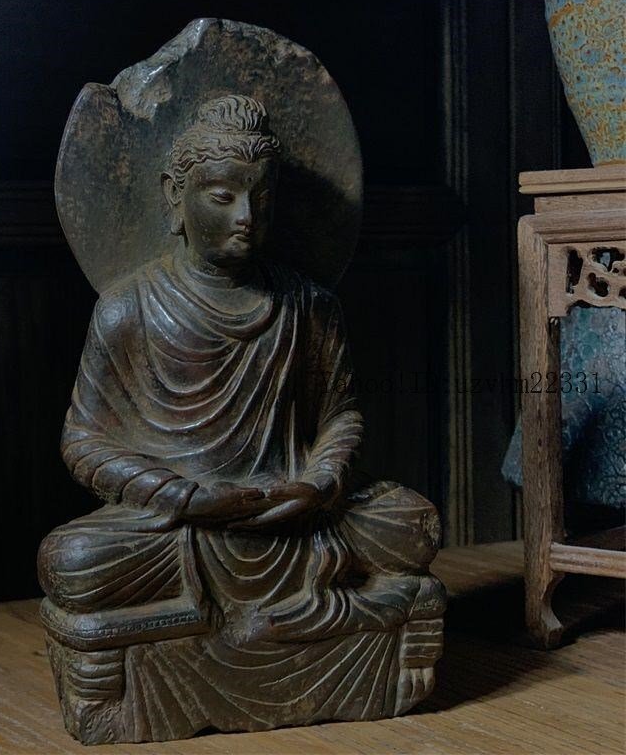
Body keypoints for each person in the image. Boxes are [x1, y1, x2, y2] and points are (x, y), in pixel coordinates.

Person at [38, 95, 445, 744]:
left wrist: (320, 482)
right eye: (223, 196)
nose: (247, 217)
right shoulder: (128, 309)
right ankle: (327, 618)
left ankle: (335, 619)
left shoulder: (308, 306)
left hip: (299, 516)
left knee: (413, 525)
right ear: (175, 195)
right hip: (182, 529)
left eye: (262, 197)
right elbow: (84, 442)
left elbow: (340, 415)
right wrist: (183, 496)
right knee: (73, 561)